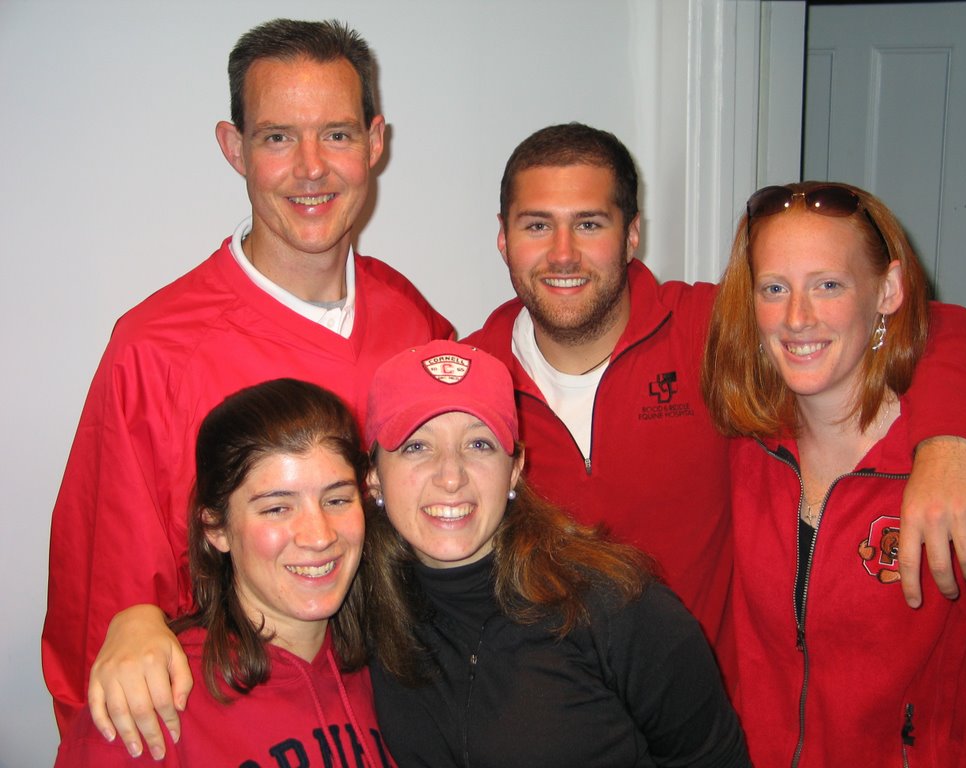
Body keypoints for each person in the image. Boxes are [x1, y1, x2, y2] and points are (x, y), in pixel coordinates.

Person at [43, 18, 454, 738]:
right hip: (245, 731)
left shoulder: (414, 326)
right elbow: (107, 623)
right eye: (277, 137)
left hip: (401, 720)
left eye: (336, 134)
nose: (310, 169)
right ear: (234, 148)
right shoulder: (156, 352)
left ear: (374, 142)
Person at [464, 122, 966, 658]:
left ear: (631, 235)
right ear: (503, 237)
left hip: (701, 708)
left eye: (589, 224)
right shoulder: (469, 380)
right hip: (548, 703)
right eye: (537, 225)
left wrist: (949, 444)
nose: (562, 254)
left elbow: (936, 329)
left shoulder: (709, 332)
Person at [700, 181, 966, 766]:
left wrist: (947, 441)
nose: (797, 318)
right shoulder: (744, 445)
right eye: (775, 288)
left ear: (888, 290)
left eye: (829, 285)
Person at [359, 340, 749, 767]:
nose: (451, 477)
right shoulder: (362, 611)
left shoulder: (617, 606)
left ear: (515, 469)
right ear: (374, 476)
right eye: (416, 446)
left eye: (479, 445)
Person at [56, 379, 392, 767]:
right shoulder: (148, 707)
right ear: (216, 528)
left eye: (336, 500)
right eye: (277, 509)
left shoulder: (390, 666)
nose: (319, 536)